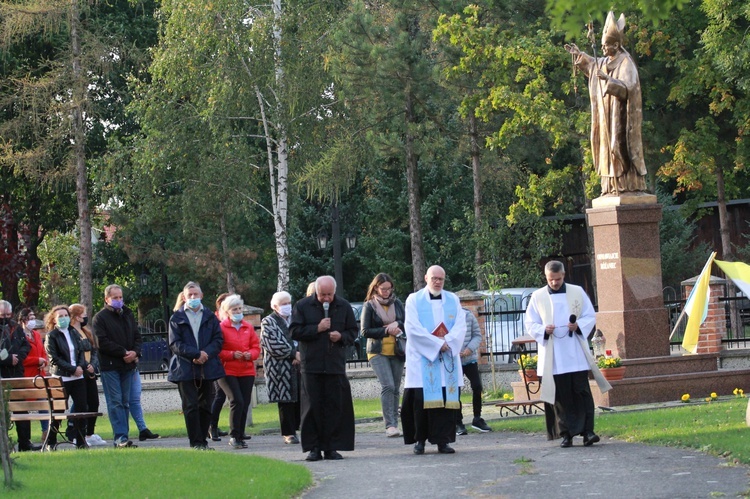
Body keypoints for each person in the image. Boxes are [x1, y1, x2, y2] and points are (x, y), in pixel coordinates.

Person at [524, 260, 609, 448]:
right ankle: (566, 434)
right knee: (560, 397)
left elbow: (589, 315)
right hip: (554, 355)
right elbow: (530, 323)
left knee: (582, 392)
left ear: (564, 275)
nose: (554, 283)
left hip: (575, 352)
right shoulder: (538, 296)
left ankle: (588, 432)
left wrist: (578, 325)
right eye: (551, 279)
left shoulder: (576, 292)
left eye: (558, 279)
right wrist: (544, 329)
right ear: (546, 277)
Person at [564, 11, 647, 197]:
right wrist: (580, 56)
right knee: (606, 150)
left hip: (620, 120)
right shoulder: (604, 62)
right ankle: (610, 186)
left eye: (606, 46)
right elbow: (593, 65)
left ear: (616, 45)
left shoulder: (626, 63)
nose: (602, 49)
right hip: (605, 119)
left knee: (618, 146)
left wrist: (609, 81)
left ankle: (628, 186)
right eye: (601, 46)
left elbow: (629, 89)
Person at [290, 275, 357, 461]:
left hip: (334, 365)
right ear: (316, 292)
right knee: (312, 408)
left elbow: (353, 332)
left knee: (333, 407)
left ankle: (331, 447)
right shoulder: (302, 306)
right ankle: (313, 448)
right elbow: (294, 331)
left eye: (329, 294)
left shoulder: (343, 306)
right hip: (311, 365)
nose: (326, 298)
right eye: (322, 295)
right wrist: (316, 328)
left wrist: (341, 337)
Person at [402, 265, 465, 455]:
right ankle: (419, 440)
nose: (437, 282)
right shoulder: (414, 300)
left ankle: (442, 441)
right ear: (425, 278)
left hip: (446, 361)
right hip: (422, 360)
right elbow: (412, 328)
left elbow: (461, 326)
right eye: (434, 278)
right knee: (421, 402)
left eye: (441, 279)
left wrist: (448, 343)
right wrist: (437, 345)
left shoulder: (453, 299)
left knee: (445, 402)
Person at [168, 281, 225, 450]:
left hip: (207, 367)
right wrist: (195, 354)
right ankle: (196, 442)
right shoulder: (176, 318)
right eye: (190, 295)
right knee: (191, 406)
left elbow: (218, 340)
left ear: (201, 295)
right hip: (185, 367)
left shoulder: (210, 316)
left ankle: (203, 441)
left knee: (206, 405)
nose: (193, 297)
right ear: (184, 297)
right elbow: (174, 343)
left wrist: (205, 354)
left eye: (196, 294)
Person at [91, 284, 141, 448]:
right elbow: (102, 342)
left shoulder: (128, 314)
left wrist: (135, 352)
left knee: (125, 402)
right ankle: (120, 437)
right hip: (110, 366)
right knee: (116, 402)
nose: (119, 300)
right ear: (107, 299)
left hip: (128, 366)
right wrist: (123, 352)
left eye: (120, 297)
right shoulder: (100, 318)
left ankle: (124, 436)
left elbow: (137, 336)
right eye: (115, 298)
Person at [360, 273, 405, 438]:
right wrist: (386, 329)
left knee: (395, 387)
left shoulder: (397, 303)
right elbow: (365, 331)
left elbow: (406, 322)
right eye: (383, 289)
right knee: (388, 386)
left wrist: (397, 324)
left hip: (397, 350)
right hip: (377, 351)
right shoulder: (369, 306)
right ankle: (390, 425)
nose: (386, 292)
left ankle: (395, 422)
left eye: (389, 288)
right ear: (376, 288)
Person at [44, 305, 92, 449]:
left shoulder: (74, 332)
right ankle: (51, 441)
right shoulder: (52, 336)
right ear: (54, 319)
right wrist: (72, 369)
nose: (64, 318)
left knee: (81, 409)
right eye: (60, 316)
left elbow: (81, 353)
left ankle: (80, 440)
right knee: (58, 410)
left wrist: (79, 367)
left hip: (78, 378)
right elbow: (54, 358)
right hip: (61, 378)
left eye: (66, 315)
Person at [217, 294, 260, 449]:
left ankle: (240, 435)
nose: (238, 312)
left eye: (239, 309)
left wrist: (251, 355)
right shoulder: (221, 327)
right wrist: (231, 354)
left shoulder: (248, 327)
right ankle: (234, 435)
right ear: (227, 312)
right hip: (228, 370)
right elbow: (218, 349)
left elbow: (256, 347)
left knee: (245, 402)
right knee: (237, 400)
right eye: (234, 309)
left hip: (246, 370)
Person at [260, 291, 301, 445]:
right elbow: (272, 344)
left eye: (288, 303)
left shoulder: (295, 319)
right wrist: (293, 354)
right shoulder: (268, 322)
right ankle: (288, 433)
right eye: (283, 304)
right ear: (275, 306)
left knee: (300, 398)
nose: (287, 306)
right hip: (279, 367)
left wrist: (299, 354)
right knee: (285, 400)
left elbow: (301, 336)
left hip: (299, 364)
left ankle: (298, 427)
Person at [68, 303, 106, 446]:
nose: (85, 317)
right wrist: (85, 366)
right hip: (80, 372)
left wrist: (93, 365)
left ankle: (90, 433)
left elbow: (93, 350)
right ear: (77, 317)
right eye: (83, 314)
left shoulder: (86, 331)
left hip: (90, 372)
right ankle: (77, 434)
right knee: (81, 405)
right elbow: (77, 353)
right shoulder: (71, 333)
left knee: (93, 402)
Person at [1, 301, 36, 451]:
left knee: (22, 408)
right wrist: (8, 359)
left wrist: (18, 357)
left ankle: (25, 442)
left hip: (16, 372)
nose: (6, 318)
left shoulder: (15, 327)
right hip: (2, 373)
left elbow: (26, 345)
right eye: (2, 315)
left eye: (8, 315)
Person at [456, 308, 492, 435]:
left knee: (477, 386)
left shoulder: (468, 316)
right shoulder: (446, 316)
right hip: (454, 361)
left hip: (469, 359)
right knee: (455, 391)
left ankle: (477, 418)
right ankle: (457, 422)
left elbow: (477, 335)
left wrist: (469, 349)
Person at [19, 309, 49, 445]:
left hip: (39, 375)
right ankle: (26, 439)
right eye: (30, 317)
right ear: (23, 319)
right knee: (25, 407)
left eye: (33, 316)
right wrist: (37, 360)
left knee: (44, 403)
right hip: (26, 375)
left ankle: (46, 433)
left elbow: (43, 351)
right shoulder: (19, 335)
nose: (33, 319)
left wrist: (44, 361)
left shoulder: (36, 334)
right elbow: (22, 358)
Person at [208, 292, 231, 442]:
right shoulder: (216, 321)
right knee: (219, 395)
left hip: (228, 363)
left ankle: (214, 426)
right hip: (217, 363)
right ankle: (212, 426)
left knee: (221, 396)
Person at [129, 367, 160, 442]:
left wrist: (137, 355)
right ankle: (121, 435)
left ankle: (143, 429)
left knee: (135, 400)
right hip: (118, 370)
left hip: (132, 369)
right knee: (119, 403)